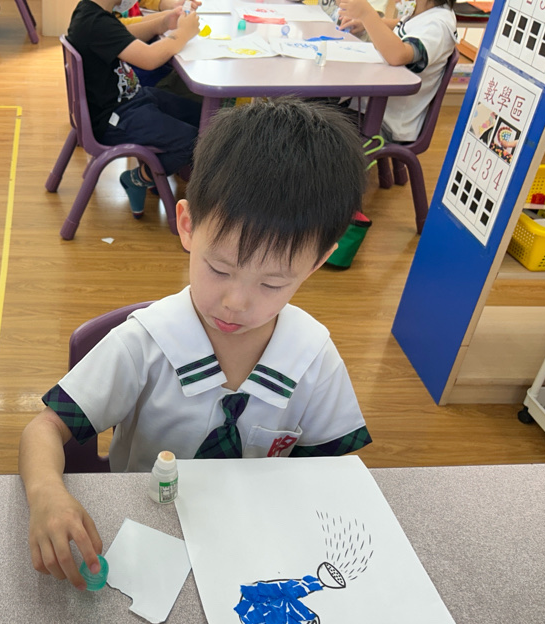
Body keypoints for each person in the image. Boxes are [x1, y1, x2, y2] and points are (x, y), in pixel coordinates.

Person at [19, 100, 371, 589]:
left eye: (272, 284)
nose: (235, 302)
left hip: (254, 550)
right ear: (187, 225)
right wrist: (46, 494)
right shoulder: (145, 344)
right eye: (219, 269)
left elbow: (334, 473)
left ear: (317, 263)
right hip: (142, 540)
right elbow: (43, 429)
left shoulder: (314, 359)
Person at [66, 0, 201, 219]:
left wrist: (164, 22)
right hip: (115, 118)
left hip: (131, 101)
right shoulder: (94, 23)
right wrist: (183, 34)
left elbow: (125, 34)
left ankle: (160, 171)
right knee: (193, 140)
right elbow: (150, 59)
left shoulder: (91, 13)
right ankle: (138, 178)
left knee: (201, 117)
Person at [336, 0, 457, 142]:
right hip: (371, 108)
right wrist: (366, 23)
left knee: (318, 124)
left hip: (383, 123)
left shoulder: (439, 25)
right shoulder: (421, 12)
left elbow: (398, 55)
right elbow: (402, 25)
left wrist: (367, 15)